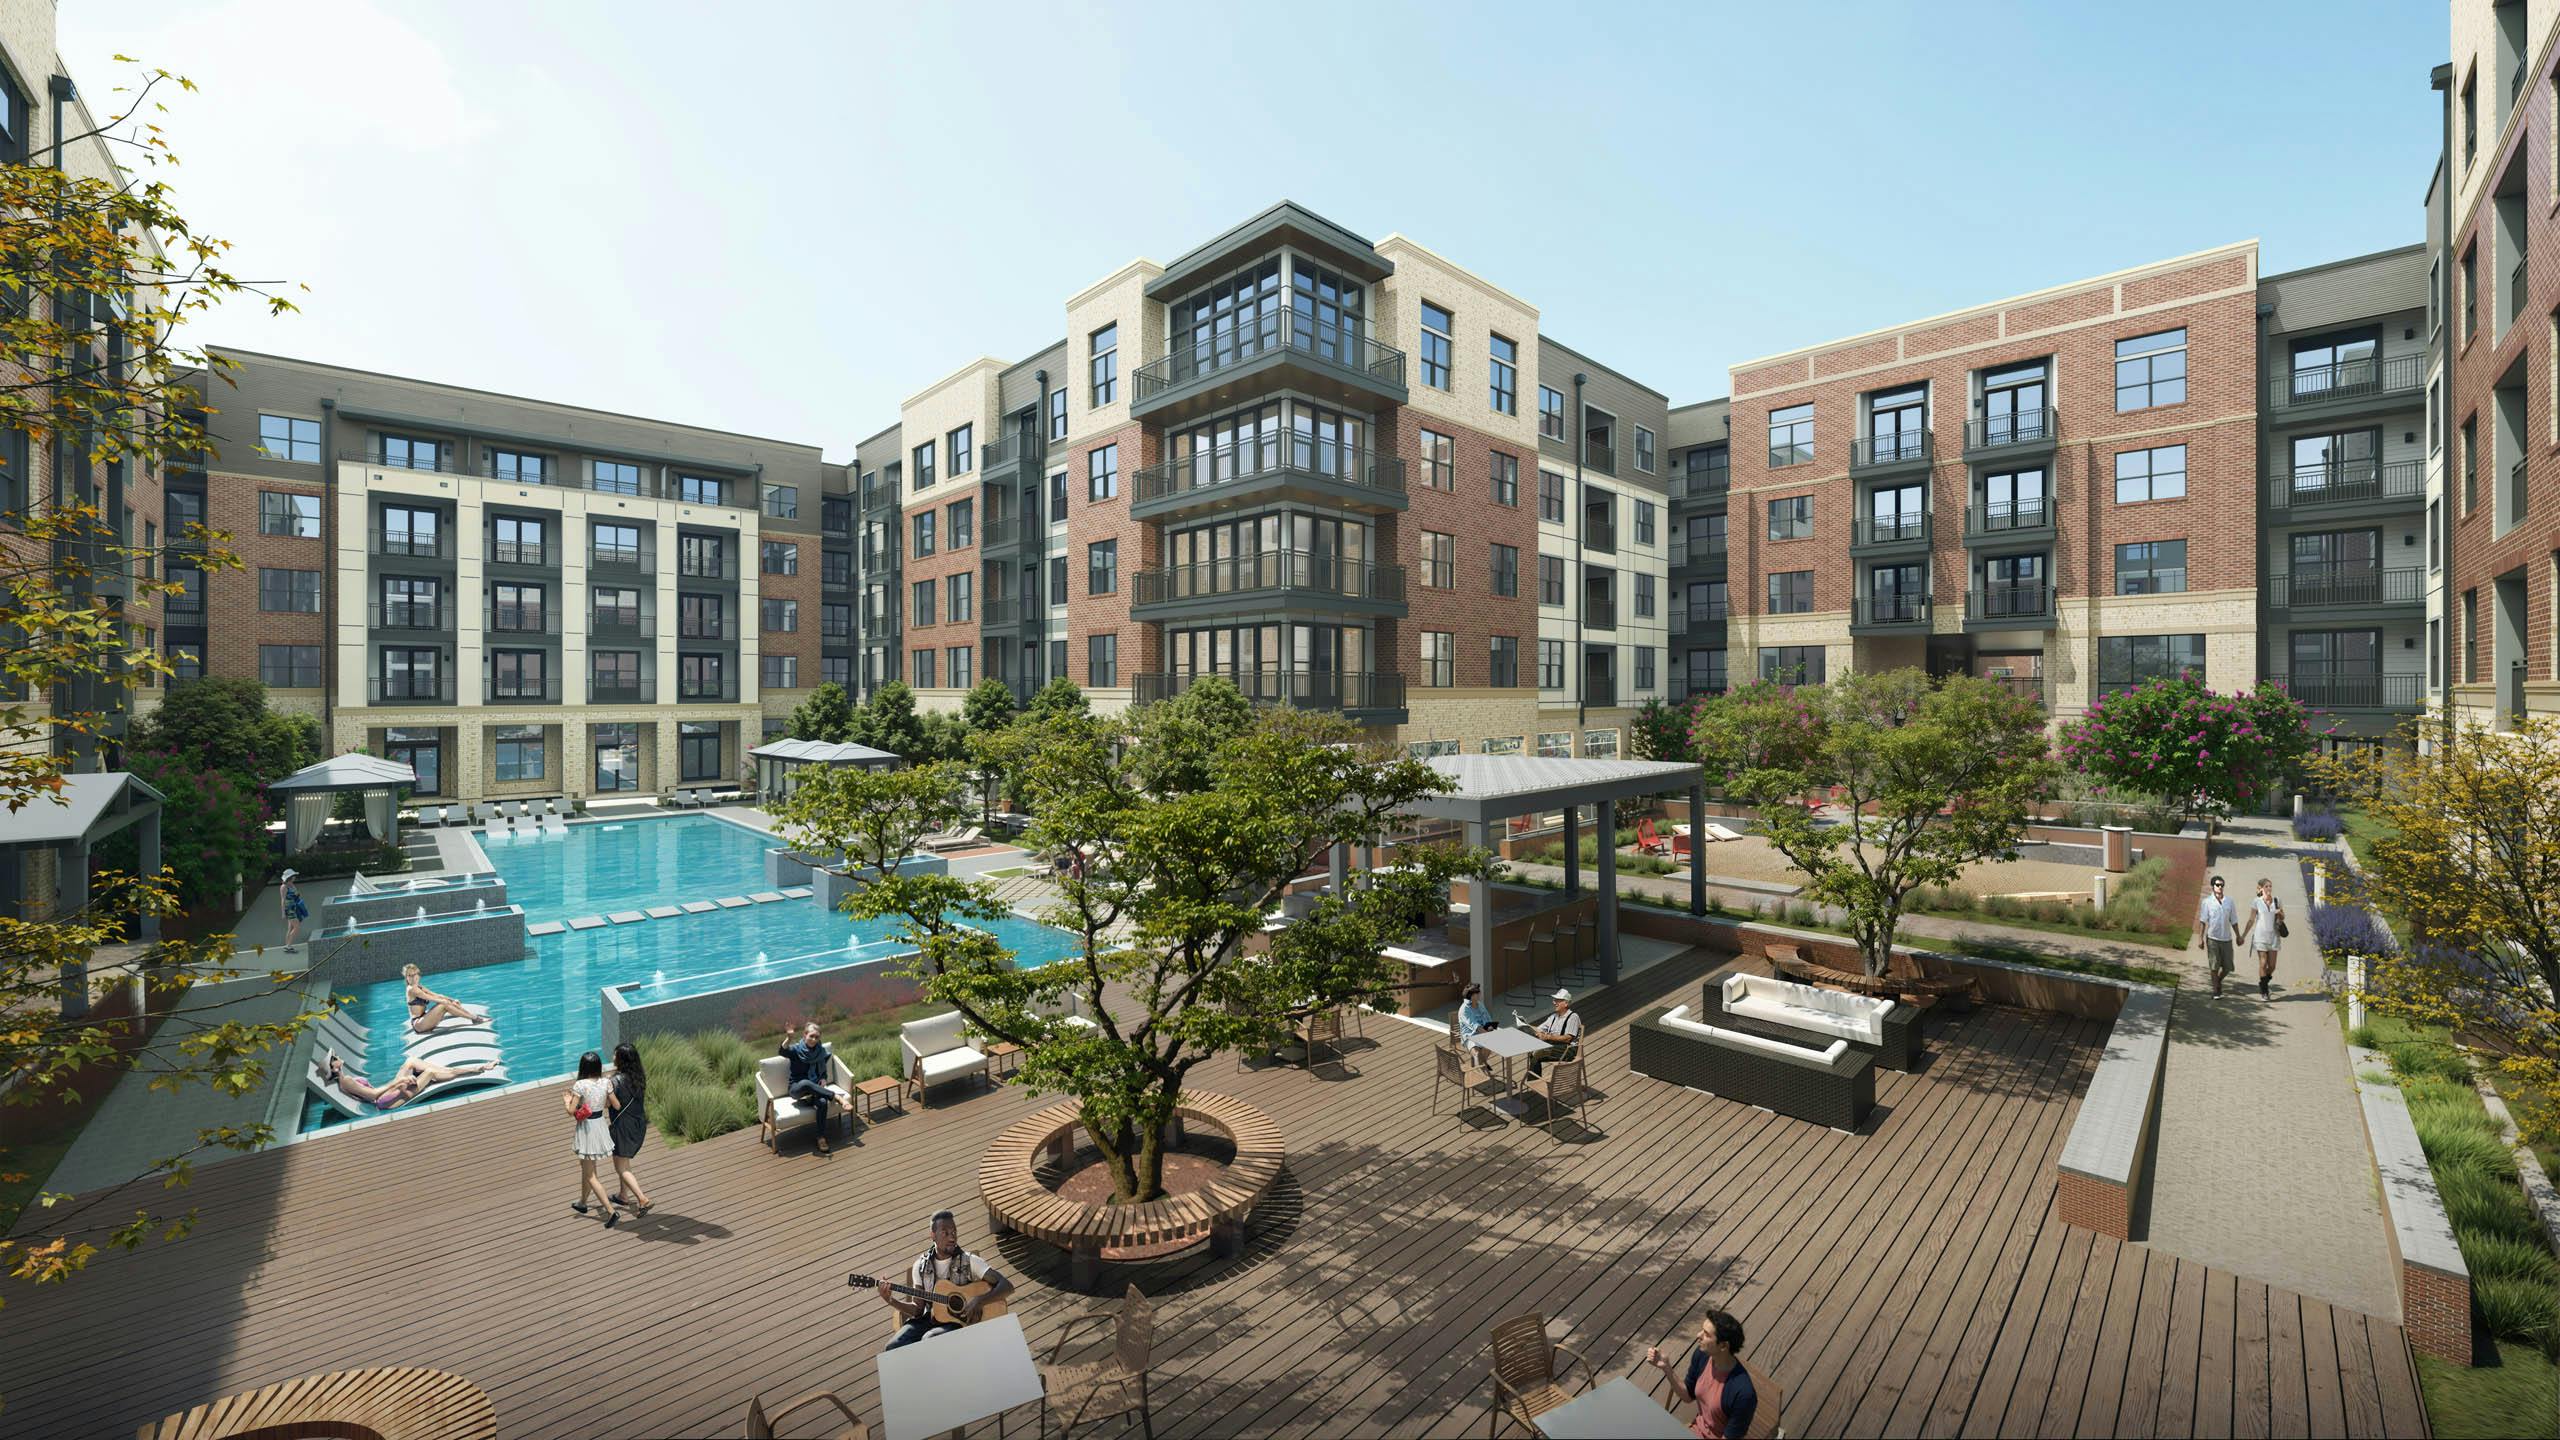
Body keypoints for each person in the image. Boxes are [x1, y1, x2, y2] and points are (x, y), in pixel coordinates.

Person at [879, 1210, 1015, 1351]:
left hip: (959, 1323)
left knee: (930, 1340)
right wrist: (891, 1300)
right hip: (929, 1319)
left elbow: (1007, 1286)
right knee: (892, 1347)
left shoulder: (970, 1261)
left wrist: (979, 1301)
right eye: (945, 1232)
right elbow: (918, 1310)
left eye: (954, 1232)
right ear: (933, 1235)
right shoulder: (920, 1266)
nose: (952, 1237)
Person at [1645, 1309, 1760, 1439]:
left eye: (1706, 1334)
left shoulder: (1743, 1394)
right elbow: (1688, 1396)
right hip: (1696, 1429)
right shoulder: (1702, 1355)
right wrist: (1666, 1368)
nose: (1698, 1335)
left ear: (1723, 1346)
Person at [321, 1050, 490, 1112]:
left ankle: (451, 1071)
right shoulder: (347, 1081)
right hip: (387, 1101)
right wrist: (398, 1082)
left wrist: (399, 1080)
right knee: (430, 1072)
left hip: (387, 1094)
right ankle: (477, 1069)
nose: (337, 1056)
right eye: (334, 1058)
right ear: (334, 1068)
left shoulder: (344, 1080)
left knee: (411, 1061)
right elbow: (373, 1095)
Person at [565, 1051, 618, 1227]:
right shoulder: (606, 1082)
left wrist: (567, 1101)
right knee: (586, 1168)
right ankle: (582, 1202)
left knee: (591, 1175)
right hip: (599, 1125)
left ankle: (611, 1212)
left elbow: (571, 1111)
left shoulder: (580, 1085)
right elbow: (611, 1104)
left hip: (587, 1129)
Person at [781, 1021, 849, 1155]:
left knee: (822, 1103)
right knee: (806, 1082)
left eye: (817, 1037)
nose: (814, 1039)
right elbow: (783, 1051)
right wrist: (789, 1038)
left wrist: (823, 1079)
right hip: (797, 1089)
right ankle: (835, 1096)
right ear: (804, 1035)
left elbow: (822, 1072)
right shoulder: (796, 1050)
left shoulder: (820, 1051)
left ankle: (821, 1138)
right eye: (811, 1036)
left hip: (815, 1090)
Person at [606, 1040, 652, 1214]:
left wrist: (606, 1088)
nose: (612, 1057)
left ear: (621, 1059)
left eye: (615, 1055)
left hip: (622, 1126)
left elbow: (607, 1104)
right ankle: (623, 1195)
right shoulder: (639, 1076)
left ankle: (642, 1198)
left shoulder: (615, 1081)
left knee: (621, 1167)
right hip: (638, 1124)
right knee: (624, 1162)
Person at [401, 964, 489, 1035]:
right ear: (406, 978)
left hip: (425, 1020)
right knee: (443, 1004)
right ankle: (475, 1018)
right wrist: (446, 1002)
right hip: (419, 1025)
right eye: (410, 975)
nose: (413, 977)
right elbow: (432, 998)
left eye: (415, 974)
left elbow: (436, 995)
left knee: (445, 1002)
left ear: (418, 975)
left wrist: (452, 1000)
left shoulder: (419, 987)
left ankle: (474, 1017)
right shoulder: (411, 989)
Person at [2194, 874, 2239, 997]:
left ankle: (2218, 980)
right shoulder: (2207, 902)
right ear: (2213, 887)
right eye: (2218, 885)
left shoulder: (2229, 902)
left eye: (2222, 885)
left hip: (2227, 939)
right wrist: (2200, 939)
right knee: (2214, 965)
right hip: (2212, 939)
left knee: (2228, 967)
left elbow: (2234, 920)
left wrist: (2238, 936)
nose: (2220, 887)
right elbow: (2203, 921)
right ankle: (2215, 990)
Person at [1524, 988, 1583, 1082]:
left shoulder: (1573, 1017)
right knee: (1534, 1051)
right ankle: (1534, 1081)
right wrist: (1525, 1024)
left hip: (1568, 1050)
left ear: (1566, 1003)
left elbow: (1568, 1038)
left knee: (1538, 1053)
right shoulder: (1553, 1017)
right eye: (1555, 1000)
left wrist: (1547, 1036)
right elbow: (1539, 1029)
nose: (1554, 1002)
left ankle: (1534, 1082)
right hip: (1555, 1046)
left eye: (1558, 1000)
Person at [2241, 876, 2285, 1000]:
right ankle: (2264, 991)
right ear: (2261, 888)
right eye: (2266, 886)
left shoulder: (2277, 900)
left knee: (2272, 966)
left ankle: (2263, 982)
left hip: (2274, 937)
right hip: (2260, 936)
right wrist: (2243, 935)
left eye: (2270, 886)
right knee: (2263, 963)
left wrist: (2279, 912)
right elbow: (2251, 920)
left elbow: (2283, 917)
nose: (2269, 888)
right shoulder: (2256, 901)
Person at [1457, 983, 1497, 1072]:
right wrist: (1489, 1035)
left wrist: (1491, 1028)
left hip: (1483, 1032)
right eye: (1478, 993)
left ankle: (1481, 1065)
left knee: (1489, 1046)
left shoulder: (1480, 1004)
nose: (1480, 994)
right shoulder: (1464, 1010)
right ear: (1472, 996)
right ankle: (1480, 1072)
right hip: (1469, 1036)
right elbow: (1475, 1026)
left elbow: (1487, 1018)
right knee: (1477, 1054)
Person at [280, 870, 308, 948]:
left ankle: (287, 944)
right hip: (289, 910)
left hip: (294, 907)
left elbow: (297, 894)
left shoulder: (291, 885)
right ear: (290, 877)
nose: (295, 877)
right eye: (293, 876)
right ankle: (288, 946)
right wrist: (283, 913)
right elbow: (283, 900)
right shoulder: (284, 887)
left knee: (290, 927)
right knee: (297, 926)